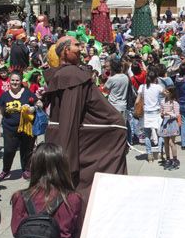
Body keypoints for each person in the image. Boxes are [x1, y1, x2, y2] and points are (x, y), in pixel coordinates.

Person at [41, 34, 128, 200]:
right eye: (76, 46)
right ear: (66, 51)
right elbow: (69, 119)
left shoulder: (73, 73)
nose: (81, 49)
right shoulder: (72, 76)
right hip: (87, 146)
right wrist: (67, 161)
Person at [9, 142, 88, 238]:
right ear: (63, 167)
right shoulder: (72, 198)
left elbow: (16, 232)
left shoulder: (19, 197)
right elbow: (79, 236)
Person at [0, 70, 39, 181]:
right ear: (9, 81)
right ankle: (6, 170)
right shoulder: (5, 96)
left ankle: (26, 170)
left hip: (27, 127)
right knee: (9, 150)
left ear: (21, 81)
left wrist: (34, 108)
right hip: (9, 128)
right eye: (12, 80)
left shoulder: (27, 93)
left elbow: (39, 102)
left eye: (17, 80)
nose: (15, 82)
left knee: (27, 150)